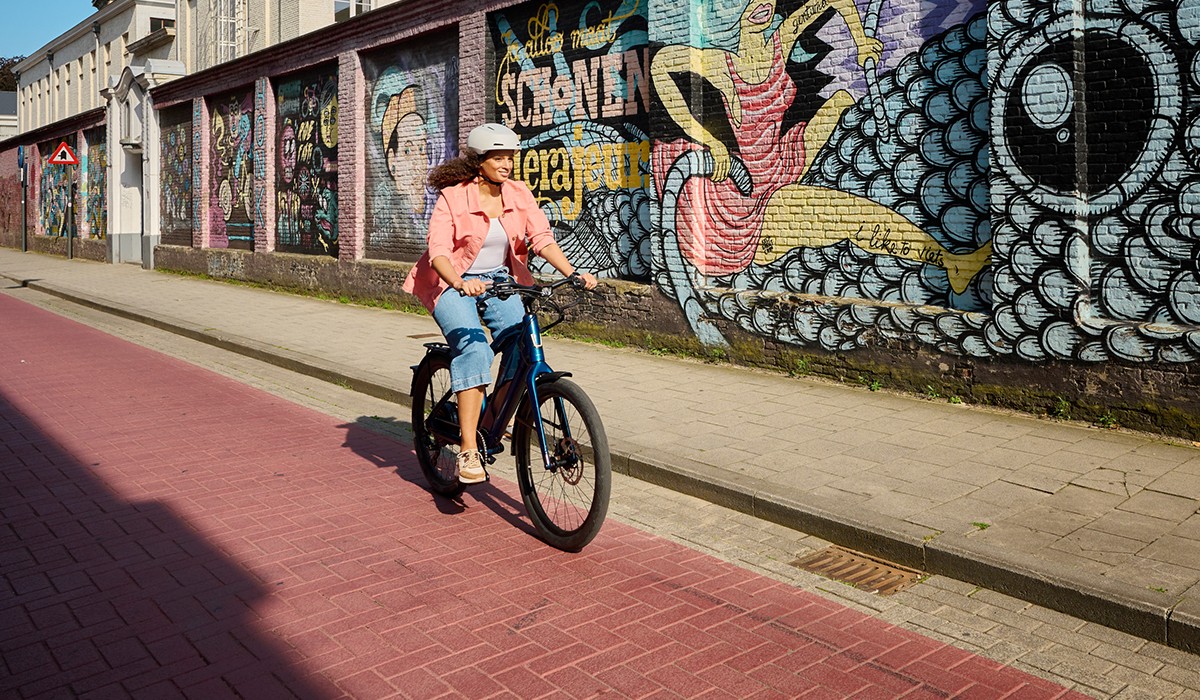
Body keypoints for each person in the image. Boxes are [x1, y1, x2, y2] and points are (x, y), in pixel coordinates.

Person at [650, 0, 991, 293]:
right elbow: (660, 65)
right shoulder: (720, 65)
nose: (760, 4)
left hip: (780, 159)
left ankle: (883, 165)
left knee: (841, 98)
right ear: (727, 14)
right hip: (747, 195)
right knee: (845, 213)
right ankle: (950, 263)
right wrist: (709, 140)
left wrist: (861, 40)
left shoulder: (779, 43)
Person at [403, 123, 598, 484]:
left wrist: (574, 273)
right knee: (475, 350)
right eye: (498, 157)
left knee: (522, 346)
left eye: (510, 157)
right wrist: (460, 282)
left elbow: (541, 238)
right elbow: (439, 252)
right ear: (480, 161)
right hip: (452, 284)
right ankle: (467, 449)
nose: (507, 164)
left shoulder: (518, 193)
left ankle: (492, 419)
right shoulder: (453, 197)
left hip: (501, 281)